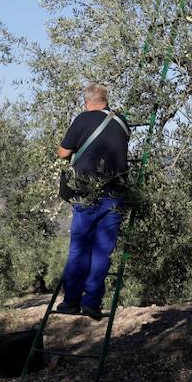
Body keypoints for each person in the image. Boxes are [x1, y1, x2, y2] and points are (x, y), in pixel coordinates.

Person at [56, 83, 129, 319]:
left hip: (87, 195)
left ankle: (70, 302)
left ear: (87, 103)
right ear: (105, 101)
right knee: (102, 252)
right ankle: (92, 303)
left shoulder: (82, 119)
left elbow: (63, 153)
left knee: (79, 249)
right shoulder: (122, 122)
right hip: (116, 195)